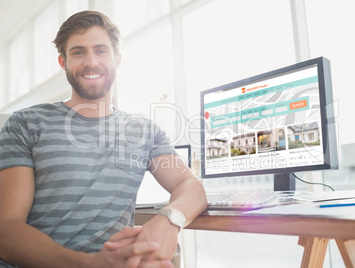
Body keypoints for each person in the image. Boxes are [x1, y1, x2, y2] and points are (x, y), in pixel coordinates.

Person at [0, 10, 207, 268]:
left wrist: (169, 220)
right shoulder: (26, 124)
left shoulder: (143, 130)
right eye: (78, 52)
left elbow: (191, 185)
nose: (91, 62)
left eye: (101, 50)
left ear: (117, 59)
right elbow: (6, 232)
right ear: (62, 62)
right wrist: (92, 264)